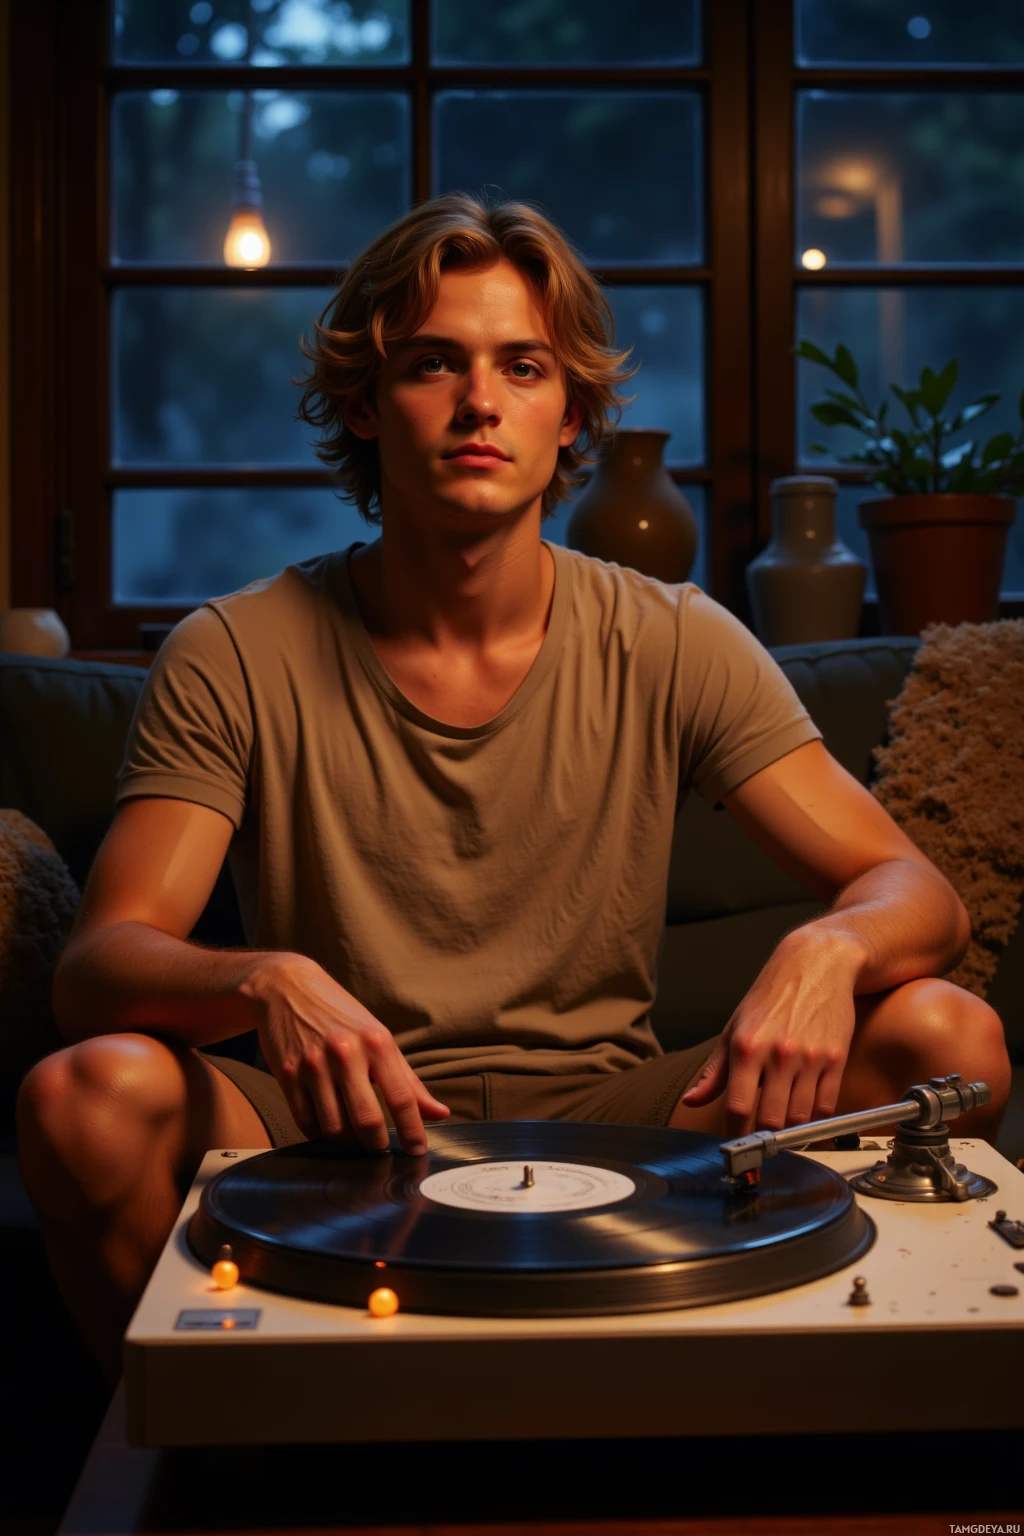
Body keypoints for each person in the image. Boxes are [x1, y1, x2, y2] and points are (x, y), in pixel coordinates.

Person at [17, 193, 1010, 1384]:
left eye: (523, 367)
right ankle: (197, 1456)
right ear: (361, 403)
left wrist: (830, 952)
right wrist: (263, 976)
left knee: (945, 1037)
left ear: (570, 414)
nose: (480, 403)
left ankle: (825, 1437)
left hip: (625, 1116)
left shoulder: (673, 639)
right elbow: (96, 969)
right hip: (334, 1123)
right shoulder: (235, 648)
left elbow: (918, 897)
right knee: (85, 1098)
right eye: (434, 363)